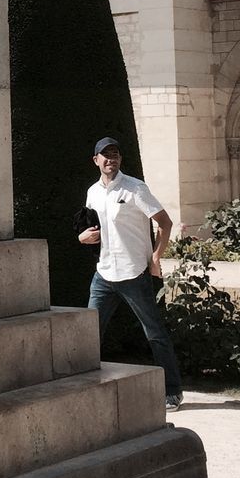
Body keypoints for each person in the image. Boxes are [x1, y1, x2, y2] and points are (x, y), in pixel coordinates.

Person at [77, 137, 183, 411]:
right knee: (89, 333)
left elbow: (165, 223)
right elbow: (94, 230)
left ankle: (172, 392)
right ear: (96, 160)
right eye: (105, 155)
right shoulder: (92, 192)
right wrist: (83, 238)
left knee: (154, 333)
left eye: (115, 154)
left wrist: (156, 257)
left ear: (120, 159)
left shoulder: (136, 188)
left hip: (134, 272)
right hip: (104, 273)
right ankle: (84, 388)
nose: (111, 159)